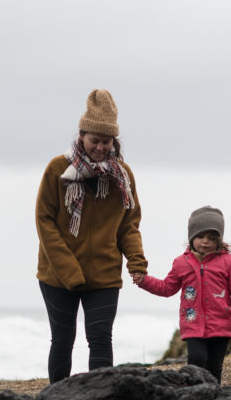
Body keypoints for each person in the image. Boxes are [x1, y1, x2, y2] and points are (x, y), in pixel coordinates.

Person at [35, 89, 148, 383]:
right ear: (82, 135)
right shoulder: (58, 169)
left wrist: (136, 260)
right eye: (94, 140)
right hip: (57, 276)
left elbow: (129, 223)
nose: (100, 147)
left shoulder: (122, 176)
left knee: (100, 339)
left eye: (106, 141)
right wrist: (68, 269)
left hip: (104, 275)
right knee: (63, 340)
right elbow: (44, 221)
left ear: (114, 141)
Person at [131, 205, 231, 383]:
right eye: (200, 236)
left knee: (215, 368)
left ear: (219, 241)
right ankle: (194, 393)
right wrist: (144, 281)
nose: (205, 241)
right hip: (193, 325)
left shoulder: (229, 262)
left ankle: (213, 399)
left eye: (211, 238)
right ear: (191, 237)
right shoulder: (181, 263)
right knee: (197, 360)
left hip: (221, 326)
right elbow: (166, 288)